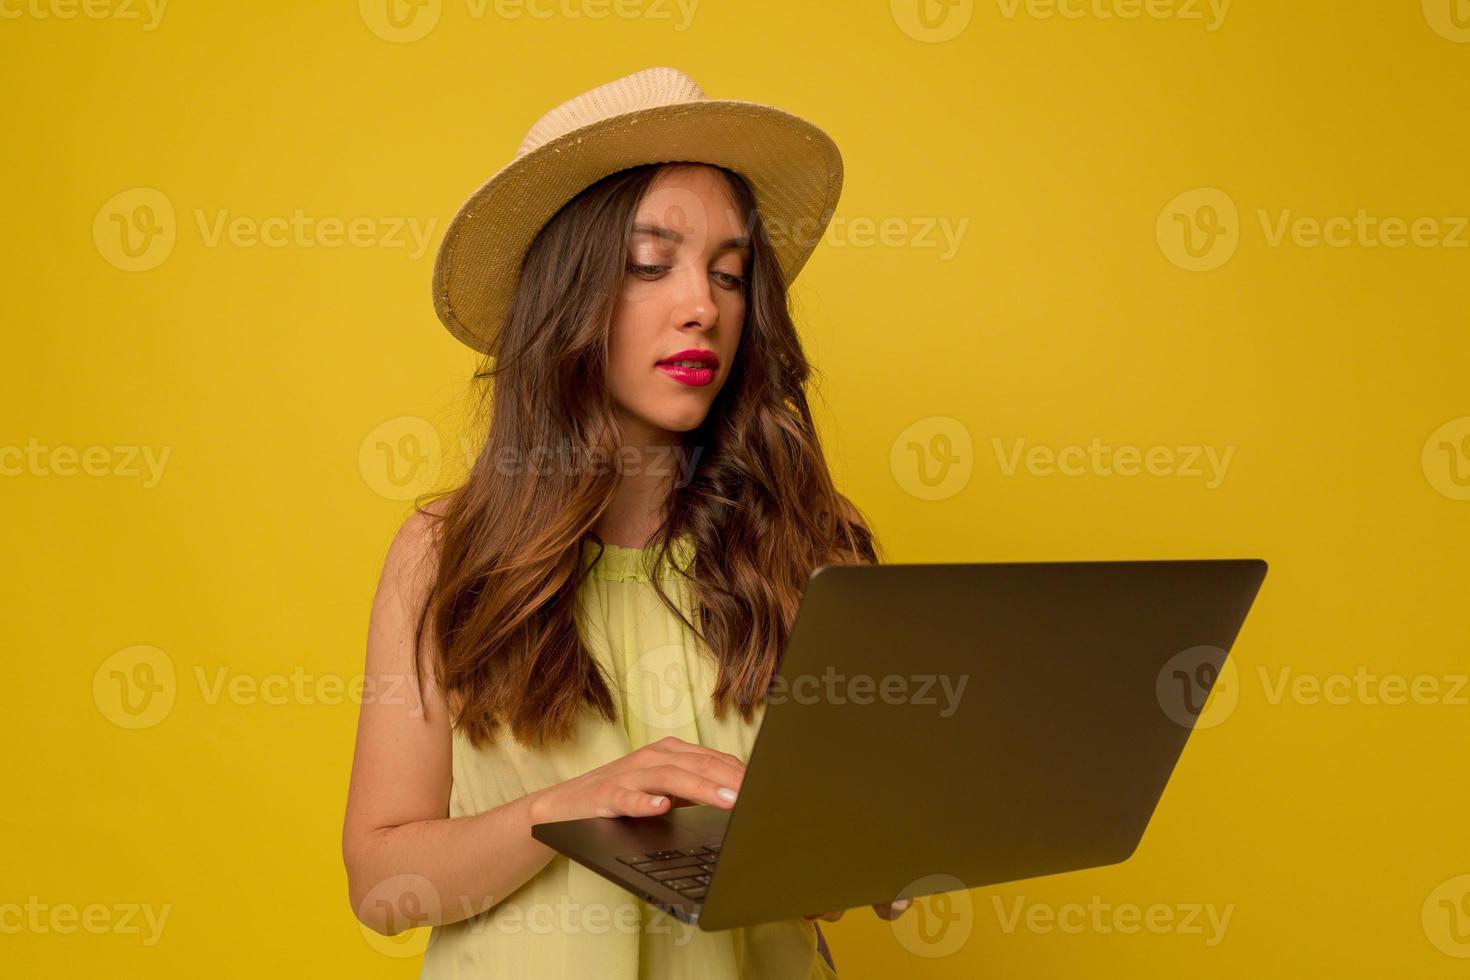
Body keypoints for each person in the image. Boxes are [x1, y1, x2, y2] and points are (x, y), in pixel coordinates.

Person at [342, 66, 909, 979]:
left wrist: (869, 846)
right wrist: (575, 809)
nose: (704, 307)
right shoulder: (445, 555)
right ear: (565, 300)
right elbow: (381, 884)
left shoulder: (813, 543)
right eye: (651, 265)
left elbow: (827, 873)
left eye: (730, 274)